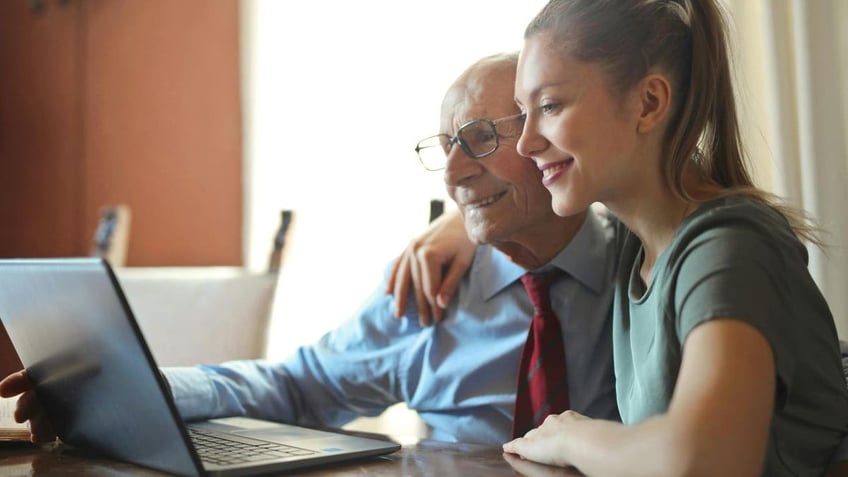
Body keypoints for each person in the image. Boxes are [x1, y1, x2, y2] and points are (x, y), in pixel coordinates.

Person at [0, 51, 619, 447]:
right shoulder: (429, 287)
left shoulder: (647, 264)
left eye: (480, 138)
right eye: (445, 145)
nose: (452, 173)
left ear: (551, 135)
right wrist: (146, 389)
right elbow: (299, 387)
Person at [390, 0, 848, 475]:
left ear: (648, 103)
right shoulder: (641, 248)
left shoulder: (729, 249)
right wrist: (469, 223)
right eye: (523, 114)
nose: (526, 142)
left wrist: (572, 435)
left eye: (549, 106)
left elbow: (705, 461)